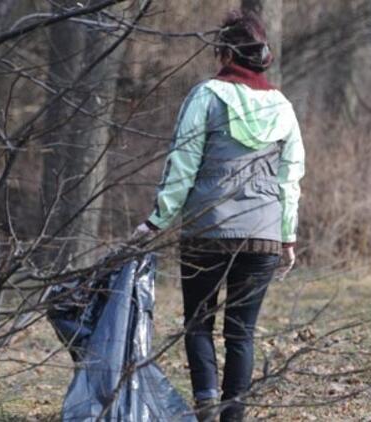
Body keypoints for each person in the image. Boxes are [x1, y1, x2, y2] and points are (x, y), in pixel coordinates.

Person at [135, 10, 305, 422]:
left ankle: (207, 410)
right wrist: (287, 237)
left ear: (226, 52)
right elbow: (290, 179)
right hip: (262, 237)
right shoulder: (283, 107)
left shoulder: (205, 96)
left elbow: (182, 165)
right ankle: (232, 417)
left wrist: (158, 220)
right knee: (241, 332)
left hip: (207, 232)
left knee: (198, 323)